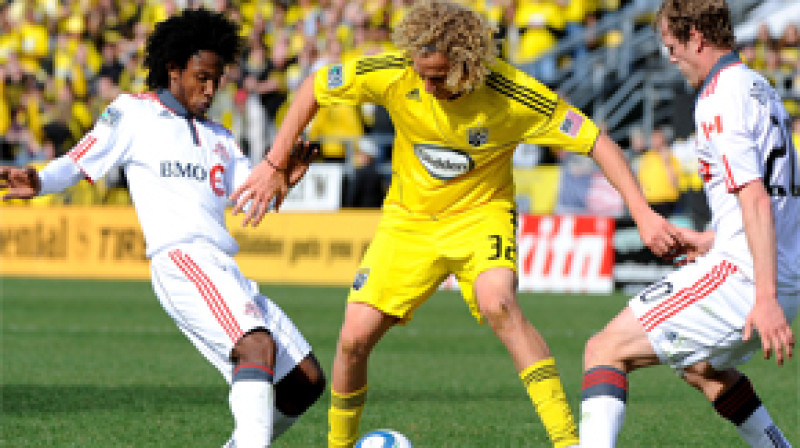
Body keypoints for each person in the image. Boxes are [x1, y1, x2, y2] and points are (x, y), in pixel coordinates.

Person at [230, 1, 679, 447]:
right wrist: (273, 162)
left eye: (439, 76)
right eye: (422, 73)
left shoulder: (513, 94)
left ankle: (567, 442)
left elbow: (597, 141)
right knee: (352, 340)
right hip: (408, 223)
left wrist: (642, 213)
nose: (426, 85)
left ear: (468, 66)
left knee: (498, 302)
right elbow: (313, 86)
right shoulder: (396, 71)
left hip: (481, 218)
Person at [0, 9, 325, 448]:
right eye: (201, 77)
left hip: (222, 265)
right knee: (256, 347)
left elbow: (249, 197)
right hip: (181, 258)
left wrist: (281, 180)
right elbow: (80, 160)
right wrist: (39, 180)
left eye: (217, 79)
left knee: (305, 382)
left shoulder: (221, 138)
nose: (210, 89)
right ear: (173, 69)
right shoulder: (133, 113)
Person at [579, 1, 799, 446]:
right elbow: (775, 202)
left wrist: (766, 297)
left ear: (696, 37)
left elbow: (756, 198)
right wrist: (709, 239)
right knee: (702, 367)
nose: (671, 58)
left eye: (671, 47)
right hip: (769, 266)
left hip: (747, 278)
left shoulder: (720, 99)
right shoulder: (760, 87)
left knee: (604, 350)